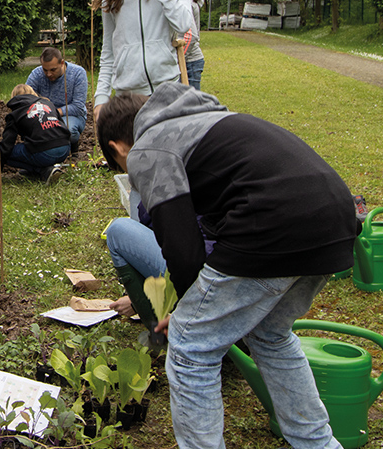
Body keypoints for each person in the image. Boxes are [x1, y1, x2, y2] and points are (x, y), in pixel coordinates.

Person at [97, 83, 357, 449]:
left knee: (190, 348)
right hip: (335, 219)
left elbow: (183, 247)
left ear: (118, 148)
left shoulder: (148, 148)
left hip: (274, 223)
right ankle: (318, 444)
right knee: (270, 335)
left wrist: (188, 315)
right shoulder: (206, 120)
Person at [91, 0, 196, 123]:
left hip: (167, 91)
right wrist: (101, 96)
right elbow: (109, 49)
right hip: (128, 97)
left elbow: (183, 24)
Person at [0, 84, 71, 183]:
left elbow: (7, 145)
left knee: (7, 154)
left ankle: (43, 171)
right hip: (65, 148)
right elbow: (62, 125)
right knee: (36, 147)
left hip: (45, 153)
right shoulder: (48, 103)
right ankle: (46, 170)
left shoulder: (15, 113)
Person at [25, 47, 87, 154]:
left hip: (70, 115)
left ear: (62, 63)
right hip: (44, 115)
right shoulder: (36, 74)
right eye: (45, 70)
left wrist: (53, 113)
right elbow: (26, 97)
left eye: (53, 70)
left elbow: (78, 107)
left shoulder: (78, 73)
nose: (49, 74)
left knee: (67, 130)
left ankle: (73, 146)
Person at [173, 0, 205, 91]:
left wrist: (178, 60)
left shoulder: (187, 2)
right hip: (187, 60)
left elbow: (191, 35)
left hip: (190, 62)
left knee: (189, 102)